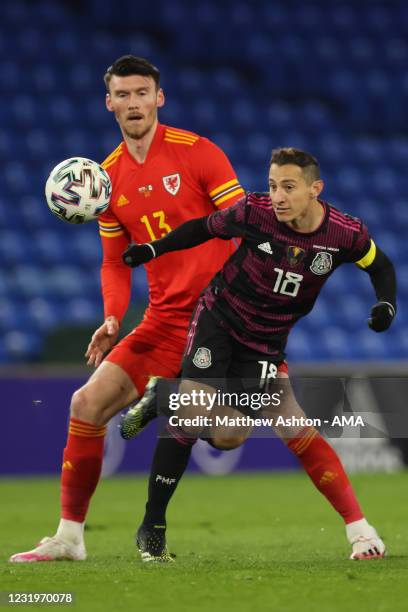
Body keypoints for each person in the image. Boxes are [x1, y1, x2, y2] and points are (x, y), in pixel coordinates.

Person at [9, 55, 245, 563]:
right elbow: (114, 263)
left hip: (219, 321)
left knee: (227, 434)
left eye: (143, 93)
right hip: (161, 322)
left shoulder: (199, 153)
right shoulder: (106, 180)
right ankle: (69, 537)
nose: (134, 102)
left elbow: (241, 223)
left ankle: (164, 398)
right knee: (84, 404)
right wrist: (114, 316)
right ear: (109, 102)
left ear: (159, 98)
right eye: (124, 94)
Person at [121, 147, 396, 561]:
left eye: (288, 187)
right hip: (221, 319)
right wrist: (154, 250)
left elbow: (381, 266)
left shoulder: (344, 233)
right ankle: (152, 526)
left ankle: (164, 396)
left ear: (314, 189)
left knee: (233, 436)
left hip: (266, 343)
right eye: (273, 186)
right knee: (195, 411)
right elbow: (204, 228)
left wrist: (385, 304)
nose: (278, 196)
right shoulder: (254, 212)